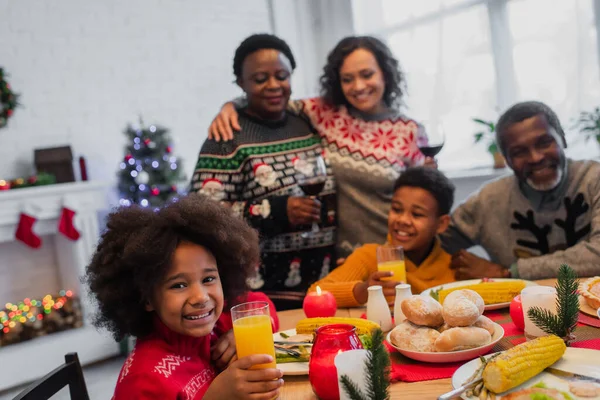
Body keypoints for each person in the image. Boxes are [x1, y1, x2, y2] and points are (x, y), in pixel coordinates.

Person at [208, 35, 435, 258]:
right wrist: (229, 106)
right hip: (343, 260)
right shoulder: (326, 114)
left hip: (393, 256)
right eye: (347, 79)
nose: (358, 86)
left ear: (385, 73)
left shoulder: (411, 131)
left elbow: (422, 204)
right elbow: (273, 96)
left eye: (367, 75)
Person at [84, 194, 283, 399]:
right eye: (179, 285)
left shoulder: (216, 326)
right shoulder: (142, 382)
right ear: (146, 298)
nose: (200, 297)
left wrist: (244, 330)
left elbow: (260, 303)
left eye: (208, 279)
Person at [190, 34, 337, 311]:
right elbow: (200, 216)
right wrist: (274, 212)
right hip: (263, 298)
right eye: (260, 79)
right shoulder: (226, 137)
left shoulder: (306, 122)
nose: (273, 85)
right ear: (241, 83)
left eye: (281, 76)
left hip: (325, 288)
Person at [441, 101, 600, 280]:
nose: (535, 157)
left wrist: (508, 272)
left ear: (562, 138)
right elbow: (432, 242)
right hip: (517, 307)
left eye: (544, 142)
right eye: (518, 152)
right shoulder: (487, 201)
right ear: (507, 160)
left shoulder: (594, 180)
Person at [309, 167, 456, 307]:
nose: (403, 220)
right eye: (397, 209)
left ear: (441, 224)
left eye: (417, 214)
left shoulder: (456, 268)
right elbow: (315, 293)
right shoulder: (370, 256)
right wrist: (363, 290)